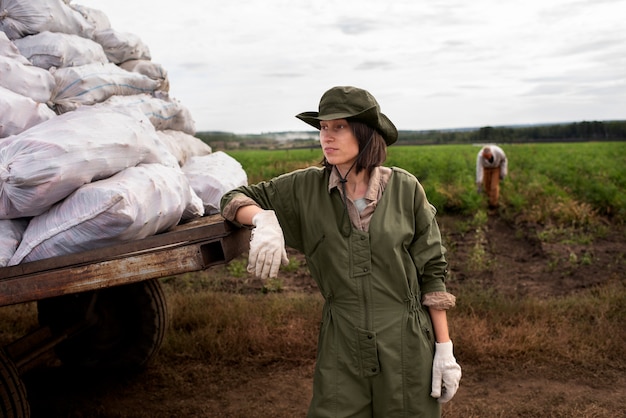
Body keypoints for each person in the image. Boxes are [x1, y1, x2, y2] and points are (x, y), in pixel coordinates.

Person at [220, 86, 461, 417]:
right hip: (342, 342)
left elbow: (433, 272)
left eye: (339, 127)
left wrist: (444, 349)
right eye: (322, 127)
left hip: (405, 340)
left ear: (365, 133)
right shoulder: (305, 188)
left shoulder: (406, 189)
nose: (326, 137)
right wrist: (263, 218)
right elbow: (233, 197)